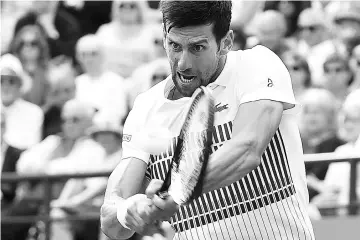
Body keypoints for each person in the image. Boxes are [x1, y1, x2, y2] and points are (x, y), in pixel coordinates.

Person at [101, 1, 315, 240]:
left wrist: (176, 192)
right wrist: (128, 211)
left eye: (197, 48)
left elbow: (247, 149)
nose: (183, 63)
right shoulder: (145, 108)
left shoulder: (256, 65)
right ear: (163, 38)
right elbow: (111, 221)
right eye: (174, 46)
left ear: (226, 42)